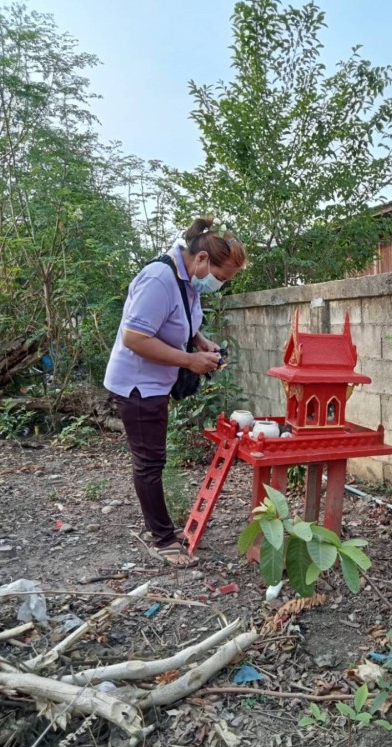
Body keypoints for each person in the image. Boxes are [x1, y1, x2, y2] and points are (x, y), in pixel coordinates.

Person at [104, 216, 247, 566]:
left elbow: (179, 321)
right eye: (222, 277)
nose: (220, 285)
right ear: (201, 259)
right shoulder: (159, 279)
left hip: (156, 382)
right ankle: (163, 539)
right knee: (150, 462)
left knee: (153, 458)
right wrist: (188, 360)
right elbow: (135, 337)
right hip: (138, 384)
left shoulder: (187, 281)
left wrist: (200, 341)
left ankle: (164, 530)